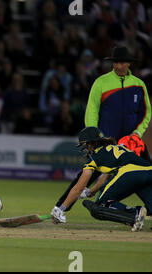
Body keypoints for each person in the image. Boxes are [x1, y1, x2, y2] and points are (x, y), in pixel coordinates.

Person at [54, 46, 151, 211]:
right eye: (116, 62)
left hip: (132, 141)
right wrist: (94, 138)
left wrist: (137, 134)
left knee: (146, 173)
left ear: (129, 63)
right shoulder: (101, 82)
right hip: (105, 140)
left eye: (122, 62)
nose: (119, 66)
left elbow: (146, 112)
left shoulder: (139, 85)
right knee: (85, 176)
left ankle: (150, 207)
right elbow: (92, 110)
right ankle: (60, 208)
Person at [51, 127, 150, 232]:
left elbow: (78, 188)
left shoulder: (95, 158)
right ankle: (138, 214)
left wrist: (61, 209)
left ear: (90, 144)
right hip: (149, 170)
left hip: (130, 171)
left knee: (101, 205)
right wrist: (91, 191)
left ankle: (135, 213)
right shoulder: (113, 148)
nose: (85, 149)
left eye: (85, 145)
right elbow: (105, 177)